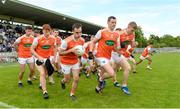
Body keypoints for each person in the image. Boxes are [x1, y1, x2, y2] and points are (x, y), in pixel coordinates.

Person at [89, 16, 121, 94]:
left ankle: (98, 88)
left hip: (108, 57)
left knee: (102, 74)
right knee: (112, 73)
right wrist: (90, 51)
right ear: (108, 22)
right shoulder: (101, 32)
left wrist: (118, 51)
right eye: (112, 22)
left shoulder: (116, 34)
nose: (114, 24)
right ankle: (100, 79)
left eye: (115, 23)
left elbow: (114, 46)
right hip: (100, 56)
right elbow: (93, 42)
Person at [58, 23, 85, 101]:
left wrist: (80, 56)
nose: (79, 34)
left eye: (80, 32)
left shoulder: (82, 40)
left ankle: (72, 94)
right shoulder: (66, 41)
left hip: (75, 62)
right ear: (72, 31)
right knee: (67, 80)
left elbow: (80, 52)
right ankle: (63, 82)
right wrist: (71, 50)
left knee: (76, 79)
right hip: (65, 62)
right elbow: (60, 53)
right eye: (77, 32)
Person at [110, 21, 137, 95]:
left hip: (121, 55)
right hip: (114, 53)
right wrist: (118, 50)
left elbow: (132, 45)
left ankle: (102, 78)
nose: (133, 32)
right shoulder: (120, 33)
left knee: (113, 70)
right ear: (128, 26)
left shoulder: (132, 34)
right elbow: (113, 45)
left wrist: (134, 44)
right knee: (126, 68)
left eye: (134, 31)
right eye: (132, 30)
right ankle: (124, 85)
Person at [31, 24, 55, 99]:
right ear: (42, 30)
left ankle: (41, 83)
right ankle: (45, 91)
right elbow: (31, 49)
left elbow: (54, 47)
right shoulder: (37, 39)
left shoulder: (53, 38)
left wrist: (53, 56)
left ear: (50, 31)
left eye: (48, 30)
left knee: (46, 73)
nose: (47, 32)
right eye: (45, 30)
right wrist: (38, 57)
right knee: (42, 73)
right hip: (39, 59)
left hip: (47, 59)